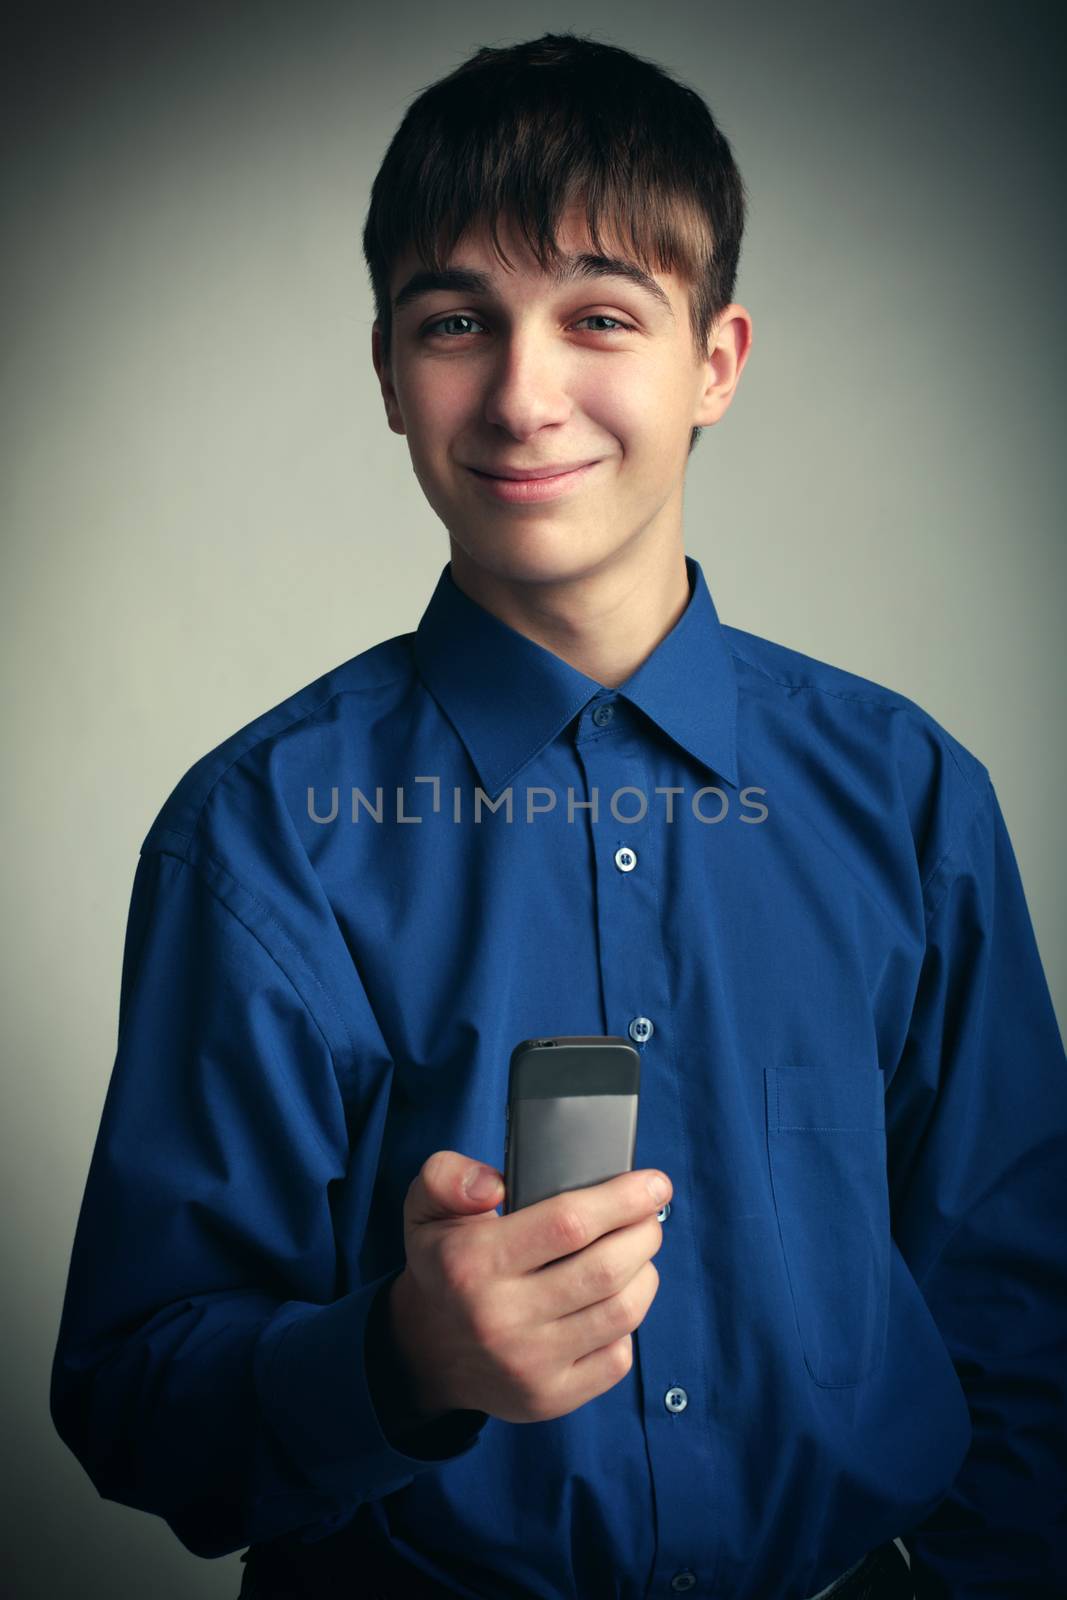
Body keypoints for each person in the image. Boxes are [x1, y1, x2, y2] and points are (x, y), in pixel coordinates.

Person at [50, 30, 1066, 1600]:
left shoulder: (911, 797)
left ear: (715, 360)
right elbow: (133, 1397)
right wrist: (399, 1360)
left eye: (601, 316)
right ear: (390, 371)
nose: (526, 396)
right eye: (458, 322)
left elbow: (1021, 1312)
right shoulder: (257, 837)